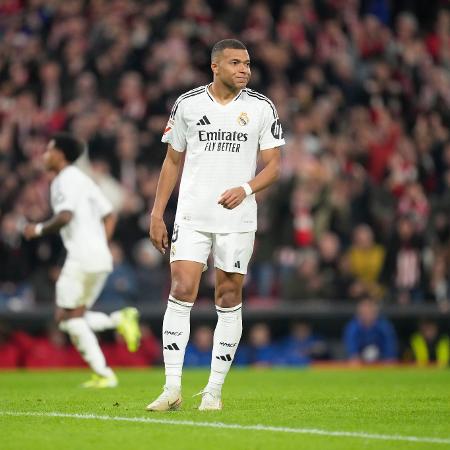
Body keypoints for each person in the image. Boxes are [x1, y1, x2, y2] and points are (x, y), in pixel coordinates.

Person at [147, 39, 285, 411]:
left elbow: (274, 165)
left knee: (227, 296)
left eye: (248, 64)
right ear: (215, 67)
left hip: (237, 219)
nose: (244, 69)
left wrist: (245, 189)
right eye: (236, 63)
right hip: (192, 215)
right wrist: (157, 213)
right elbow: (172, 161)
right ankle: (172, 388)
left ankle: (213, 391)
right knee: (182, 286)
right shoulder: (188, 104)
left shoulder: (261, 107)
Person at [23, 133, 141, 388]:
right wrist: (100, 243)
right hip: (99, 257)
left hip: (80, 257)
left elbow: (65, 216)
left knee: (65, 319)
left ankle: (107, 361)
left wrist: (38, 229)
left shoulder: (63, 180)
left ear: (61, 155)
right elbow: (110, 215)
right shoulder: (84, 180)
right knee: (75, 316)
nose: (45, 155)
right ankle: (108, 356)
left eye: (49, 150)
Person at [343, 298, 397, 364]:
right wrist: (355, 358)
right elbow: (352, 350)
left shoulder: (384, 326)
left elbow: (390, 348)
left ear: (375, 313)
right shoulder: (352, 327)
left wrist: (388, 359)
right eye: (364, 312)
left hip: (381, 361)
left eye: (370, 312)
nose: (367, 315)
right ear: (359, 313)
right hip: (360, 362)